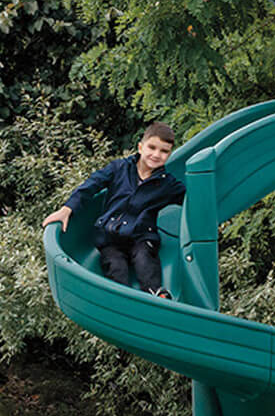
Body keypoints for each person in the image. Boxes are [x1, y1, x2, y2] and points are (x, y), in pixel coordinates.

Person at [42, 122, 186, 298]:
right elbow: (92, 184)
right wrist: (67, 209)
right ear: (140, 147)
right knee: (115, 264)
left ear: (169, 154)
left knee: (145, 259)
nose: (156, 155)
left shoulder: (167, 183)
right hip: (110, 237)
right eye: (152, 147)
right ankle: (121, 297)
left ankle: (156, 294)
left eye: (164, 151)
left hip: (141, 236)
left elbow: (190, 199)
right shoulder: (119, 168)